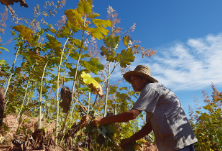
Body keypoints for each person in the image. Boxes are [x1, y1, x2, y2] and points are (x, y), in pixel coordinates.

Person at [91, 65, 198, 151]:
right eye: (131, 80)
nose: (131, 82)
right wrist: (130, 139)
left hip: (178, 143)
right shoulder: (153, 92)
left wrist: (104, 120)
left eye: (134, 79)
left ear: (144, 79)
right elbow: (149, 126)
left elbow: (133, 114)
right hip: (175, 143)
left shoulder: (151, 88)